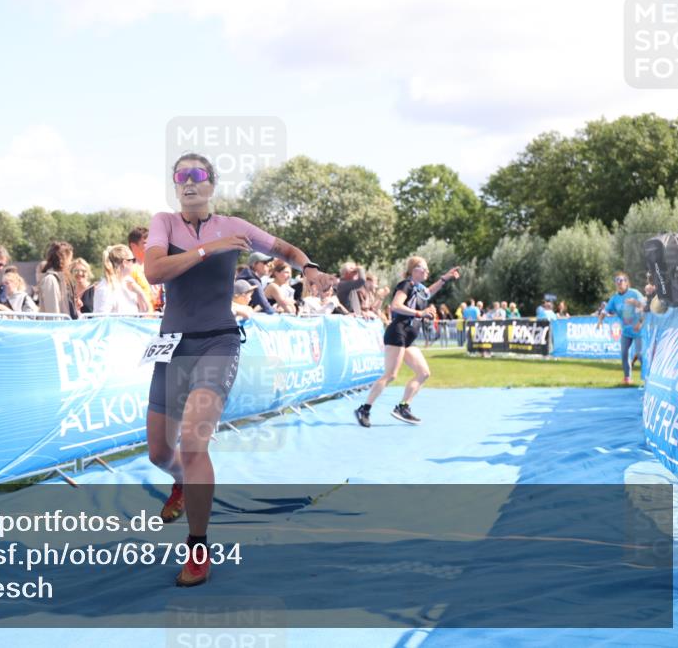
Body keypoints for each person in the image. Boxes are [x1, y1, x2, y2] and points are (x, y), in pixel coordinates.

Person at [143, 153, 334, 587]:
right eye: (181, 176)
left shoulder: (235, 224)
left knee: (193, 442)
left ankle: (197, 548)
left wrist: (309, 266)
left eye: (198, 175)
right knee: (159, 452)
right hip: (172, 344)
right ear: (175, 185)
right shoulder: (165, 222)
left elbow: (284, 249)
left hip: (218, 341)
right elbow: (154, 271)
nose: (189, 182)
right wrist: (209, 248)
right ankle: (180, 484)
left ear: (212, 183)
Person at [354, 257, 460, 428]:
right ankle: (364, 409)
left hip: (408, 337)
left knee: (423, 373)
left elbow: (430, 291)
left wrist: (445, 278)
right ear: (413, 270)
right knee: (390, 375)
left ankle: (403, 407)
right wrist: (420, 313)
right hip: (397, 333)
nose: (427, 272)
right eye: (423, 269)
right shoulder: (406, 285)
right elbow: (396, 306)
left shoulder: (419, 289)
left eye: (427, 269)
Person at [597, 272, 646, 385]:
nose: (619, 283)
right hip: (626, 331)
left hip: (639, 329)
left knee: (640, 354)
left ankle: (647, 378)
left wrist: (639, 322)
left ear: (626, 282)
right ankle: (627, 378)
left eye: (622, 280)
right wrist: (600, 321)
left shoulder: (634, 293)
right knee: (624, 353)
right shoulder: (614, 299)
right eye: (617, 281)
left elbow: (645, 307)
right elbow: (605, 311)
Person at [93, 244, 151, 314]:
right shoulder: (105, 287)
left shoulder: (128, 283)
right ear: (125, 263)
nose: (134, 263)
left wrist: (139, 292)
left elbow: (144, 311)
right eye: (133, 260)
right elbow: (100, 319)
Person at [38, 241, 78, 318]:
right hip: (57, 328)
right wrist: (58, 328)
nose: (71, 262)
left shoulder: (61, 278)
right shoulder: (50, 279)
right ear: (63, 259)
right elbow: (53, 313)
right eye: (70, 259)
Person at [129, 226, 163, 311]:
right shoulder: (127, 270)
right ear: (133, 246)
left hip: (159, 315)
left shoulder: (158, 265)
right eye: (145, 243)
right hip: (140, 317)